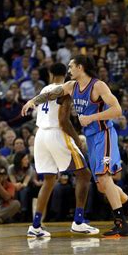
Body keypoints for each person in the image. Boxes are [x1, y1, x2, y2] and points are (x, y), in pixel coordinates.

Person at [22, 55, 128, 237]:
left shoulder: (98, 86)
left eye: (71, 66)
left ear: (80, 67)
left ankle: (121, 223)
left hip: (104, 134)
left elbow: (117, 110)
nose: (68, 70)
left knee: (104, 179)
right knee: (101, 186)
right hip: (91, 138)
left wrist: (91, 118)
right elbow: (51, 94)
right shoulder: (71, 86)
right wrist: (33, 101)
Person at [23, 63, 99, 238]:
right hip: (56, 133)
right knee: (84, 174)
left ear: (50, 73)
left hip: (40, 136)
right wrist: (77, 140)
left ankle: (35, 226)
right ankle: (79, 222)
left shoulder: (44, 88)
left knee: (49, 180)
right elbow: (64, 120)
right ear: (66, 74)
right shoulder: (65, 89)